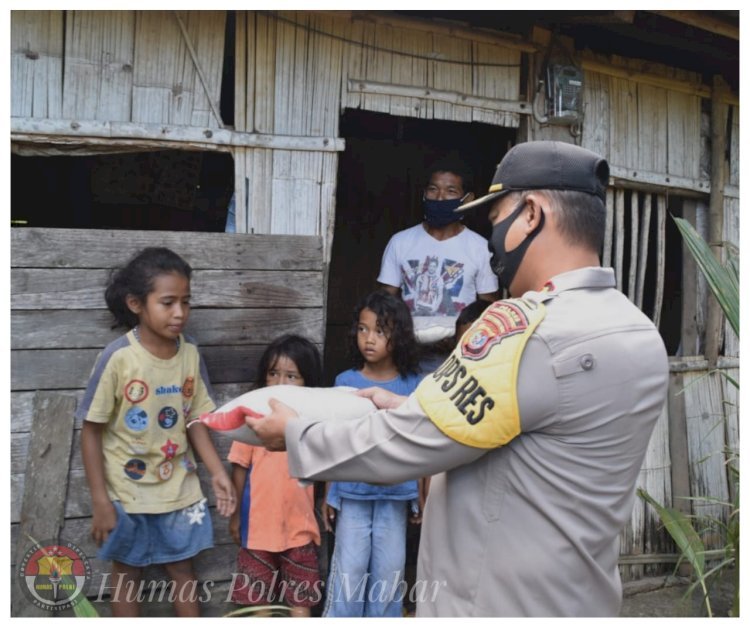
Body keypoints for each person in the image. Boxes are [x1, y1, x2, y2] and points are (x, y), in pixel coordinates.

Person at [243, 141, 671, 616]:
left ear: (531, 214)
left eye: (497, 221)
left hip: (491, 604)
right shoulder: (640, 333)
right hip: (580, 598)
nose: (493, 243)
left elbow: (414, 443)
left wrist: (299, 435)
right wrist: (411, 406)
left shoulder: (524, 329)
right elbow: (535, 427)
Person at [78, 247, 236, 617]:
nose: (180, 313)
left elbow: (196, 418)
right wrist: (100, 501)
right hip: (126, 493)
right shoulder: (119, 358)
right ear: (136, 303)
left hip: (178, 489)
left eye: (186, 301)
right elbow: (91, 429)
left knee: (183, 569)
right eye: (168, 302)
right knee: (126, 574)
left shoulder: (190, 354)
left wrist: (217, 472)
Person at [322, 290, 424, 617]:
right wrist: (328, 494)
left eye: (380, 331)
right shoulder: (345, 382)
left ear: (400, 337)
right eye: (363, 329)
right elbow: (333, 443)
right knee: (349, 574)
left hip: (396, 493)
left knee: (389, 575)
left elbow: (422, 445)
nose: (369, 339)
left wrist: (422, 494)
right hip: (351, 492)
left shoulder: (413, 386)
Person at [226, 334, 324, 616]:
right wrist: (236, 517)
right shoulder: (253, 421)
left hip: (300, 527)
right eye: (273, 374)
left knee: (301, 601)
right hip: (257, 529)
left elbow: (329, 468)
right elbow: (240, 468)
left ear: (308, 382)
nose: (281, 383)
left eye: (292, 376)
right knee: (259, 604)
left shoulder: (312, 423)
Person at [377, 159, 499, 372]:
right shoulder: (401, 242)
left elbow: (487, 308)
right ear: (424, 194)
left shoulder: (480, 248)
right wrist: (401, 340)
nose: (440, 197)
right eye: (433, 190)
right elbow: (384, 302)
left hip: (459, 360)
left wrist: (459, 340)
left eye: (450, 191)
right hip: (406, 358)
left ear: (467, 199)